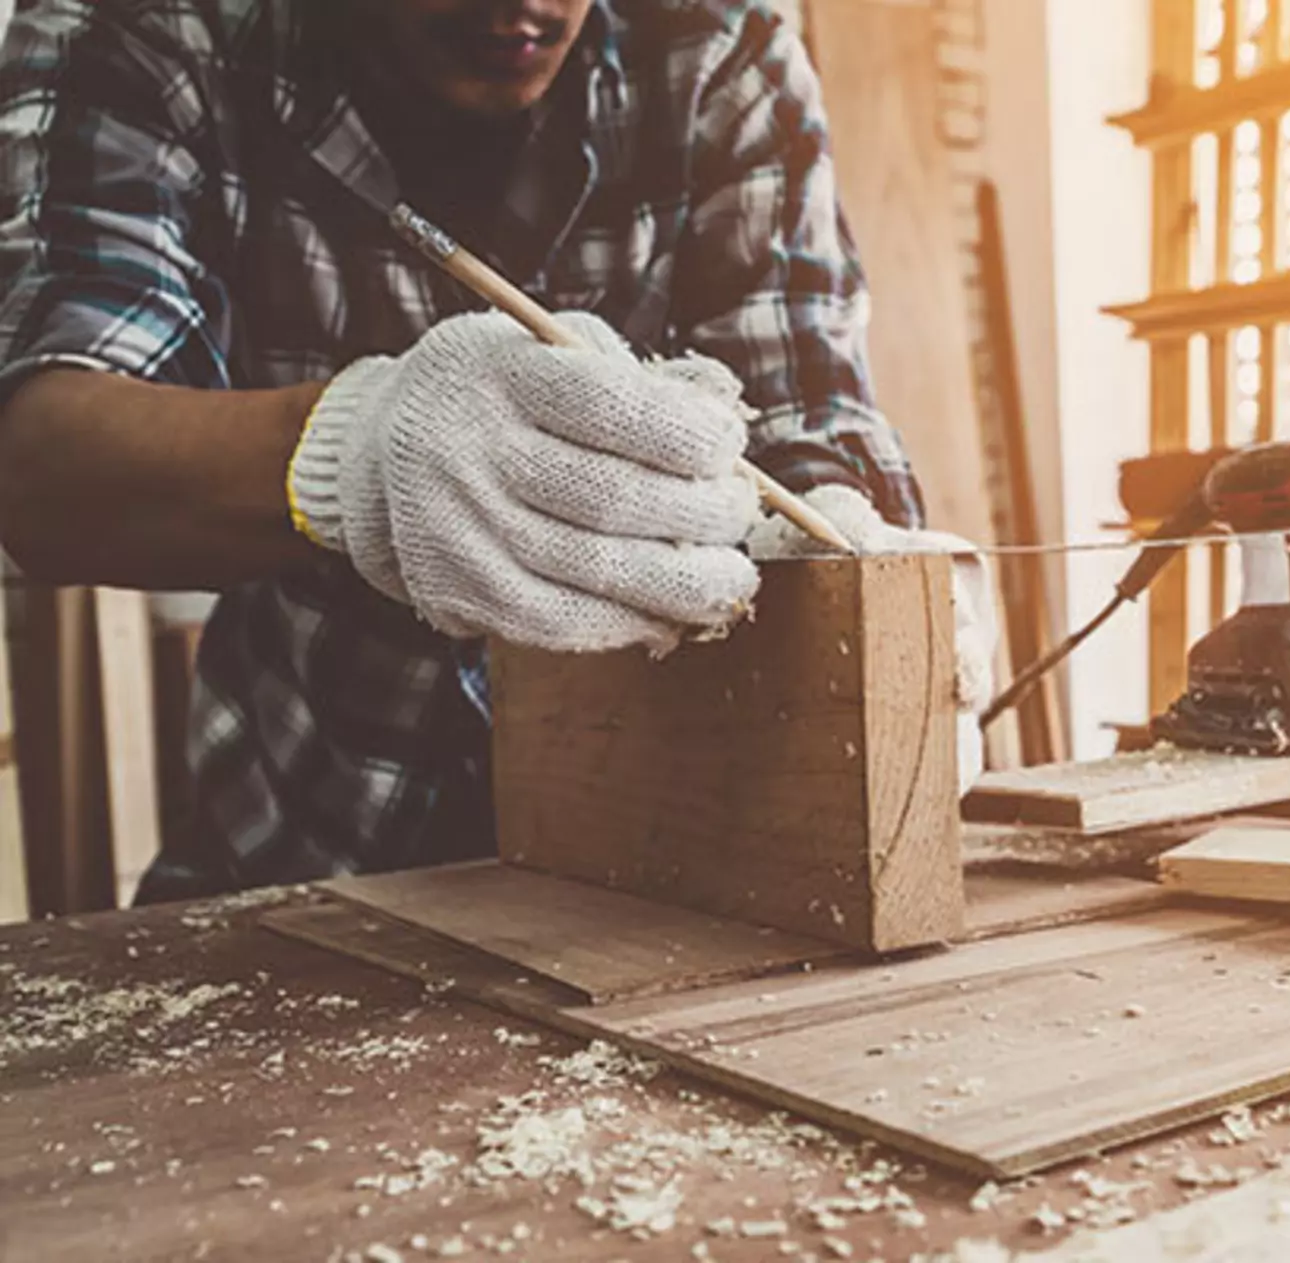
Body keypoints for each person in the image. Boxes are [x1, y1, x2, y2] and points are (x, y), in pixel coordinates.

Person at [0, 0, 994, 903]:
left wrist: (870, 558)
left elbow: (806, 408)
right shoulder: (151, 28)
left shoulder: (715, 45)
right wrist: (352, 456)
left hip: (662, 876)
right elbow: (40, 458)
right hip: (296, 858)